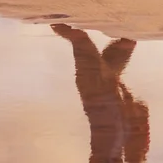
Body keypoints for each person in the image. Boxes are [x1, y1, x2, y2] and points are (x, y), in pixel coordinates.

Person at [52, 23, 150, 162]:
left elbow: (137, 151)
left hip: (109, 105)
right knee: (80, 41)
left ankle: (122, 48)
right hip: (100, 101)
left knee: (124, 46)